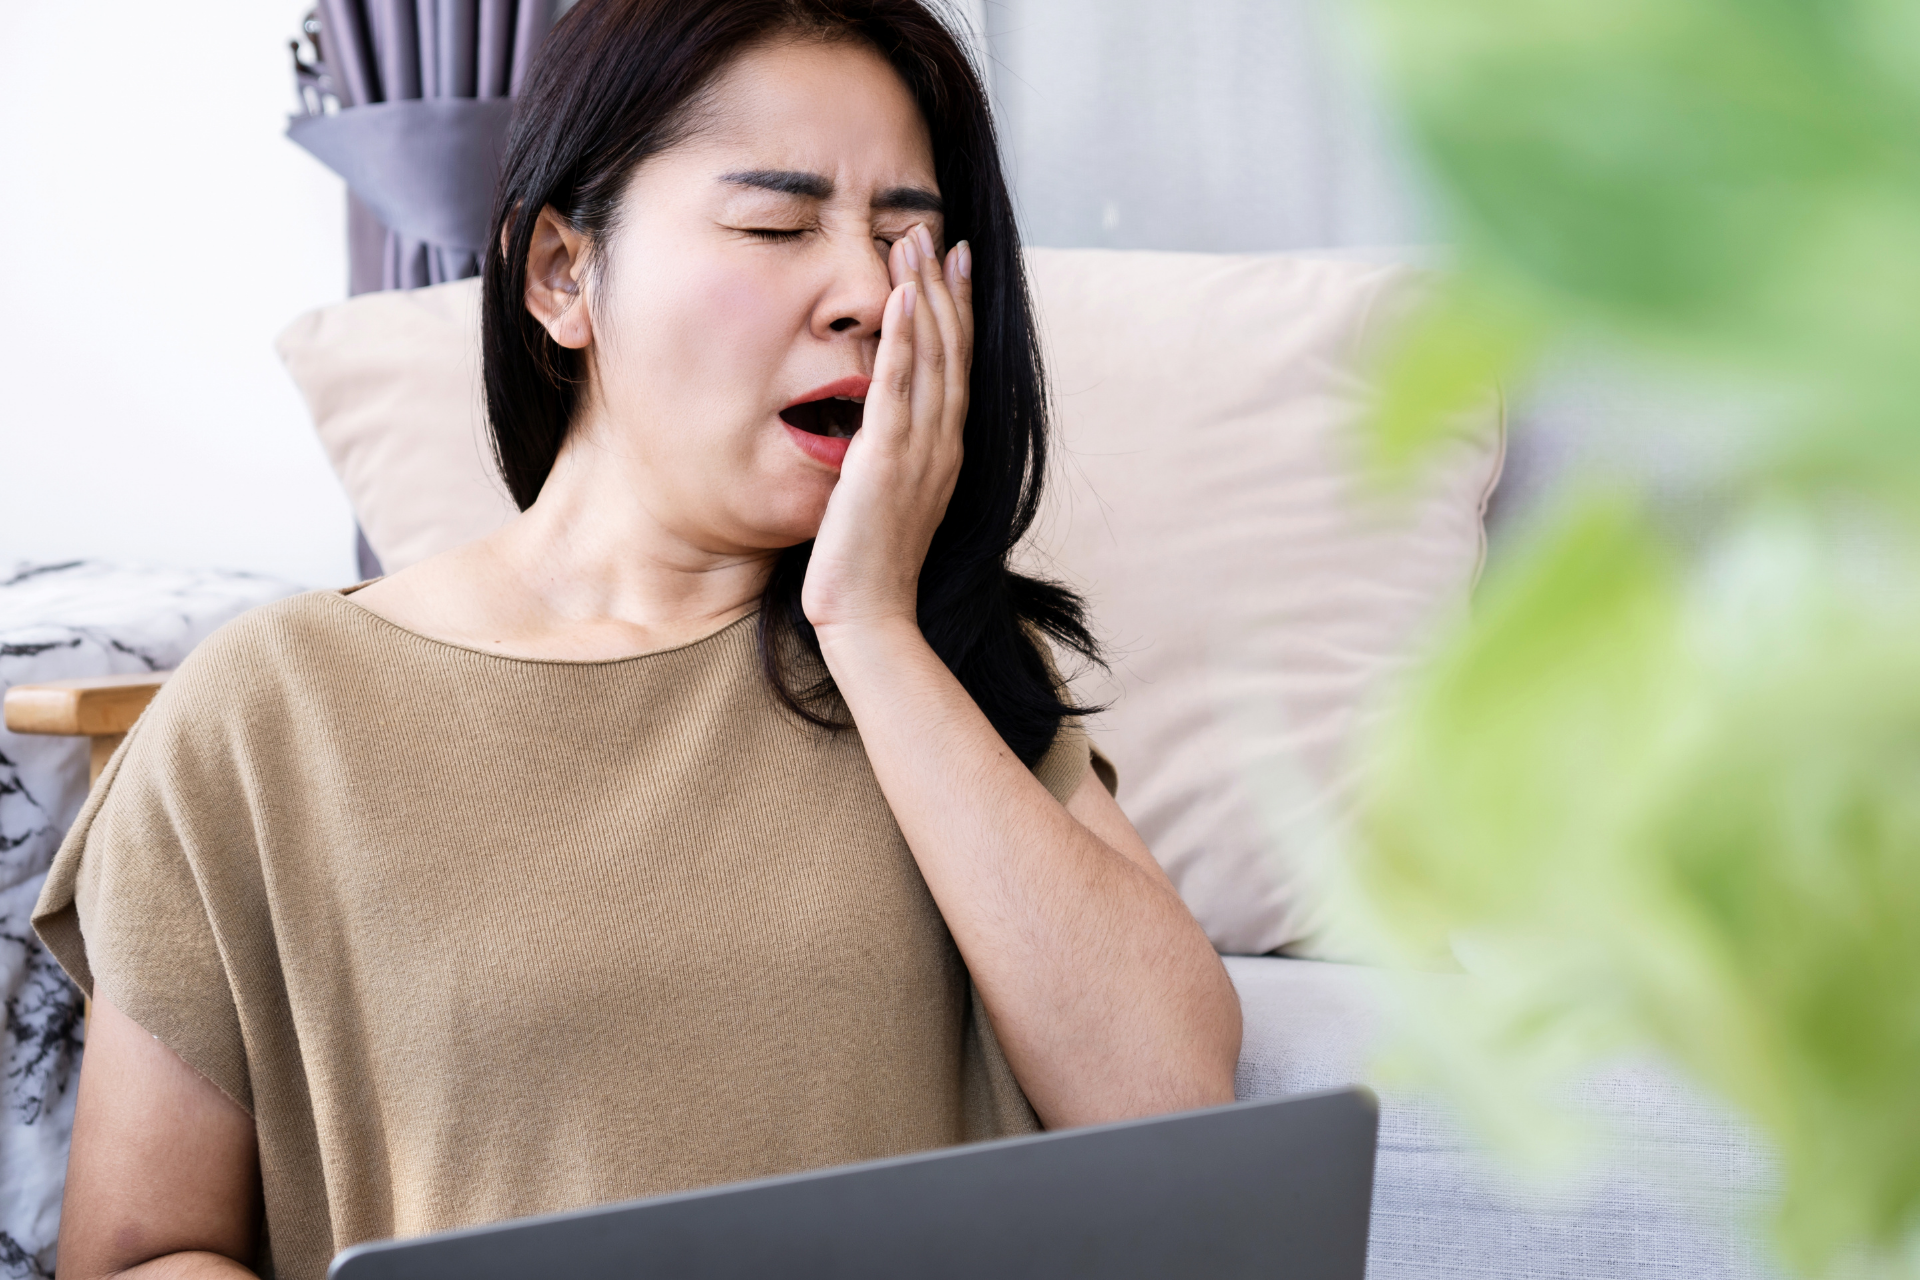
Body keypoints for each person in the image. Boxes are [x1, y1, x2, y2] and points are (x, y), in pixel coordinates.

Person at [35, 1, 1241, 1276]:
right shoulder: (270, 708)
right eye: (777, 225)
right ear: (562, 273)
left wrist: (872, 624)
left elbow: (1176, 1111)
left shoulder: (941, 666)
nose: (868, 296)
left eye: (909, 239)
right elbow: (136, 1253)